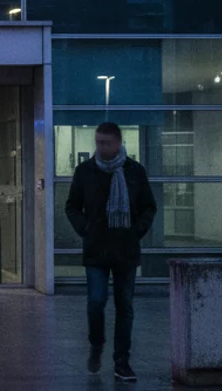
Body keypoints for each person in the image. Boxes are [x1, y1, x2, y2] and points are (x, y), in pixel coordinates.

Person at [64, 122, 157, 383]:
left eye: (105, 143)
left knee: (124, 307)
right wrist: (86, 228)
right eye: (98, 142)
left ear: (118, 143)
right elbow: (72, 206)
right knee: (96, 301)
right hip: (96, 249)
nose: (100, 147)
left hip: (125, 250)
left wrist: (136, 230)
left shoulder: (134, 172)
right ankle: (96, 344)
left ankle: (121, 361)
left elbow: (149, 206)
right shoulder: (85, 171)